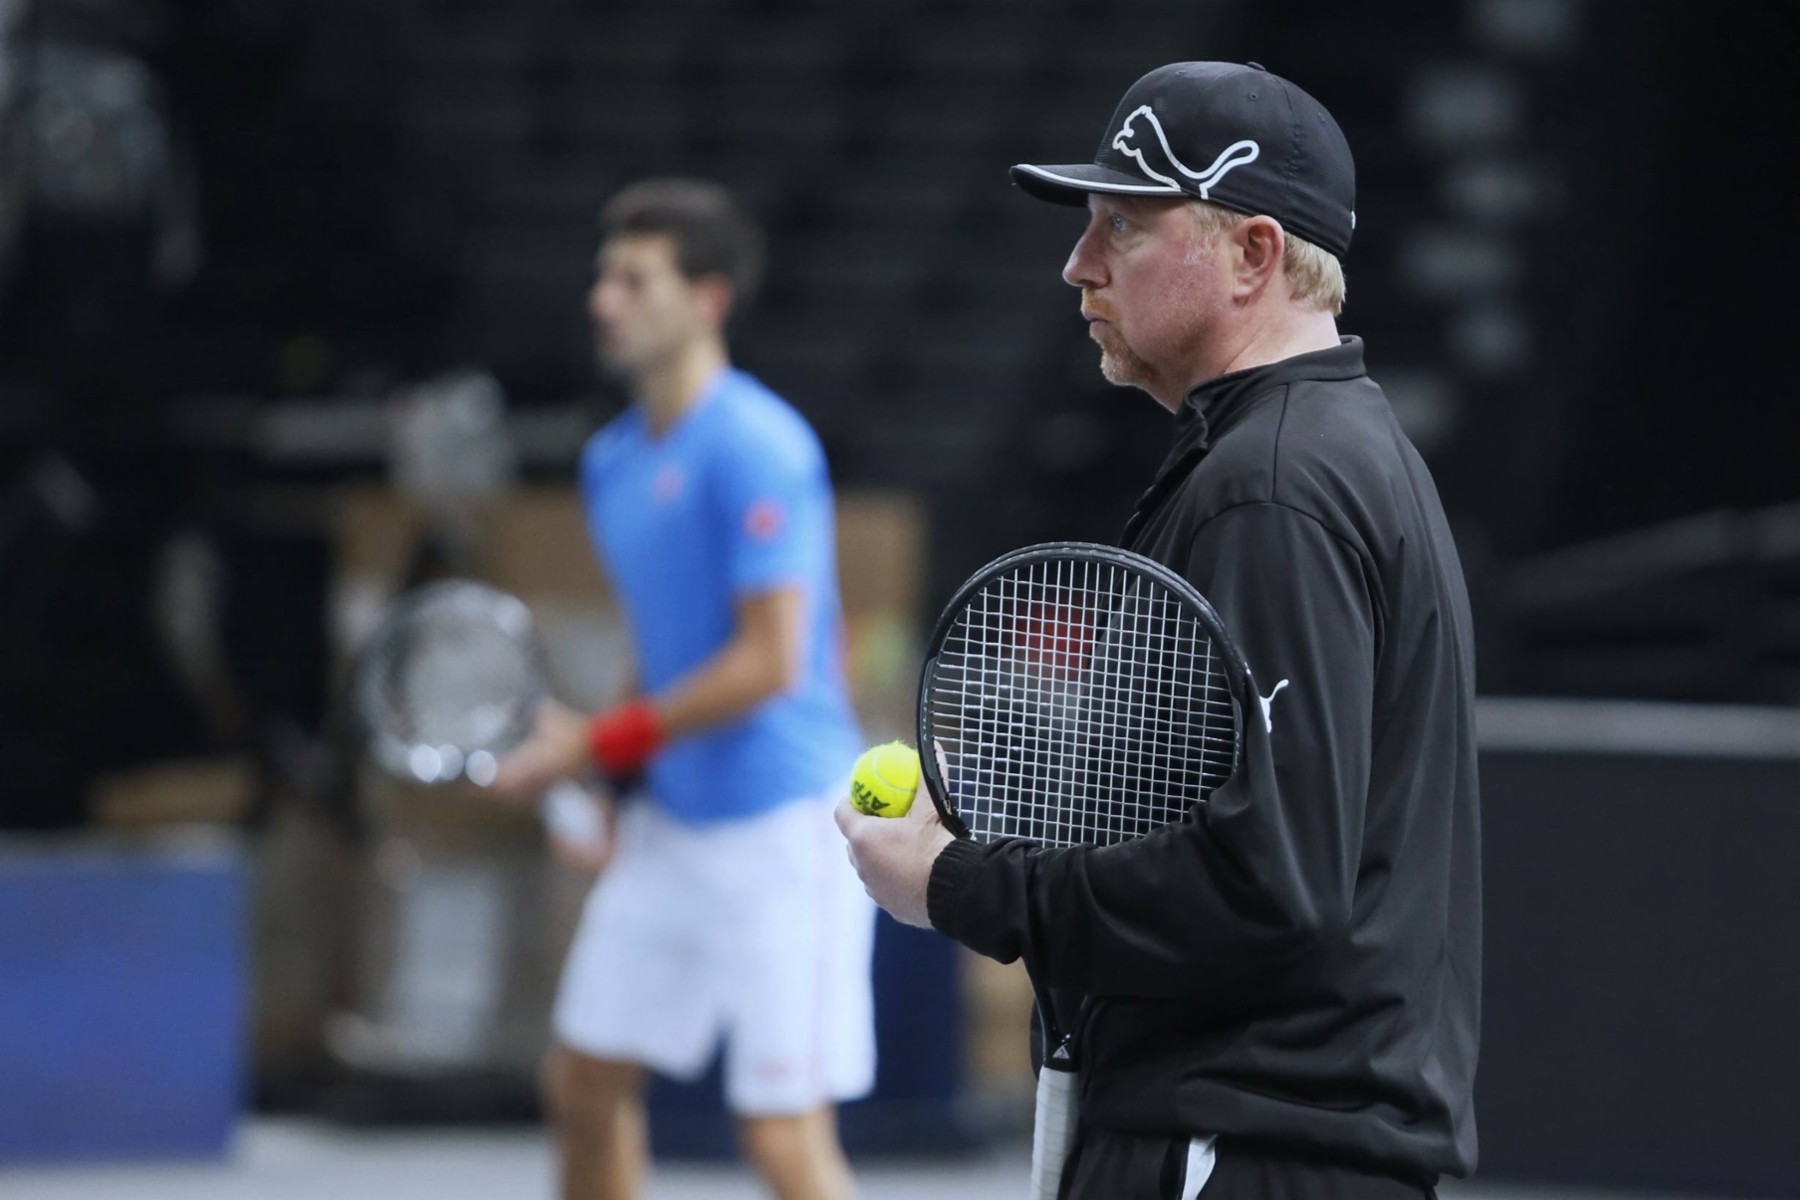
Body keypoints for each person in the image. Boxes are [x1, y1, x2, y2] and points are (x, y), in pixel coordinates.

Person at [837, 62, 1480, 1199]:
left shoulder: (1272, 488)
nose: (1077, 265)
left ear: (1253, 254)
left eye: (1124, 227)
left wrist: (956, 884)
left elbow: (1261, 885)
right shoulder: (1321, 454)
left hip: (1244, 1146)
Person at [496, 178, 874, 1200]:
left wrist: (598, 744)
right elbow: (660, 651)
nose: (603, 301)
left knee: (782, 1141)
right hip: (673, 828)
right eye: (602, 277)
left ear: (707, 299)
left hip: (786, 834)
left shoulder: (761, 446)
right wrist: (613, 782)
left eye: (634, 280)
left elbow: (770, 662)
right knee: (582, 1083)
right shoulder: (611, 463)